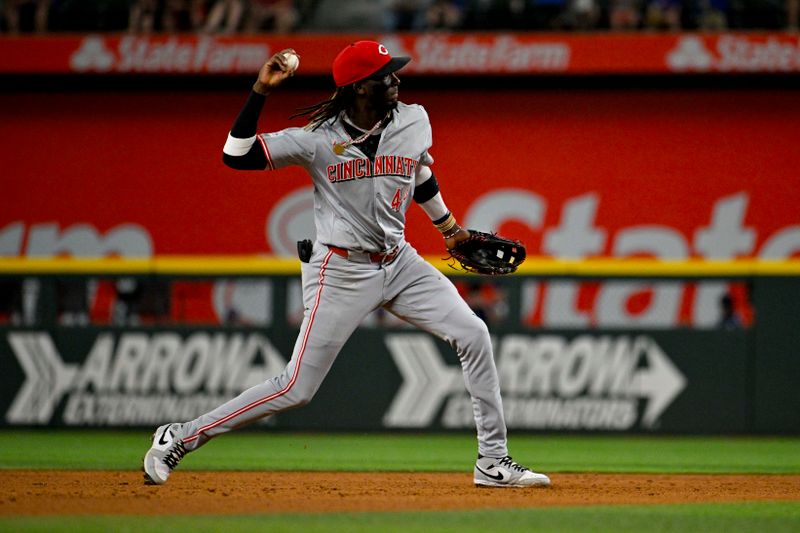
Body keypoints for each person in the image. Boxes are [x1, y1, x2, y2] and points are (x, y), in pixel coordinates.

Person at [142, 40, 551, 489]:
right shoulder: (318, 139)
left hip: (400, 262)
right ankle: (179, 436)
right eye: (385, 74)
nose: (396, 79)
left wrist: (449, 229)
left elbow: (418, 173)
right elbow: (235, 155)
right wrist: (261, 89)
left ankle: (493, 461)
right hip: (340, 270)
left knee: (474, 333)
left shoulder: (414, 119)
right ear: (358, 87)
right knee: (296, 388)